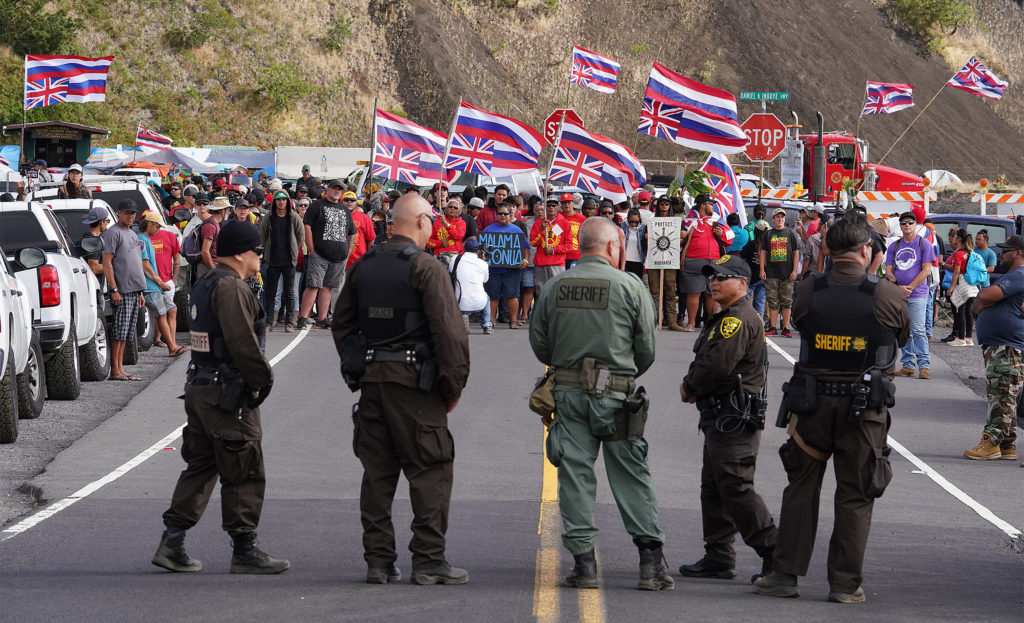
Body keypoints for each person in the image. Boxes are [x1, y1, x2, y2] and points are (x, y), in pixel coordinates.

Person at [755, 215, 908, 604]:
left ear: (827, 250)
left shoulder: (808, 290)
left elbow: (801, 322)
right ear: (865, 250)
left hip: (812, 405)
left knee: (801, 488)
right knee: (856, 494)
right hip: (864, 408)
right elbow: (900, 335)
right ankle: (843, 584)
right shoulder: (887, 294)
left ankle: (785, 574)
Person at [332, 194, 471, 585]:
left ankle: (378, 561)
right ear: (424, 222)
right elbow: (450, 334)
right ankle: (428, 561)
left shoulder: (364, 267)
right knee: (430, 471)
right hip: (415, 387)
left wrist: (359, 365)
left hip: (374, 384)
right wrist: (451, 385)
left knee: (377, 475)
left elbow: (342, 325)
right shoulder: (426, 267)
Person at [529, 217, 673, 592]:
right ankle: (650, 563)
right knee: (631, 473)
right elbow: (647, 350)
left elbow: (540, 343)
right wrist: (620, 374)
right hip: (618, 394)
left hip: (569, 392)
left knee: (574, 475)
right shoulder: (630, 286)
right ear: (613, 247)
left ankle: (584, 564)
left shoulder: (556, 285)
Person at [153, 220, 288, 575]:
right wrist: (263, 379)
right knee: (244, 466)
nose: (261, 256)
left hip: (201, 386)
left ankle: (172, 541)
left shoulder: (208, 283)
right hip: (226, 391)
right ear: (242, 253)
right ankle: (244, 547)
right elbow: (243, 343)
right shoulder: (231, 287)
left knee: (202, 464)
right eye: (257, 250)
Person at [678, 254, 777, 585]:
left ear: (743, 284)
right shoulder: (728, 316)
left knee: (735, 486)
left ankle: (775, 553)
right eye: (712, 276)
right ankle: (719, 556)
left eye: (723, 276)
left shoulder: (736, 320)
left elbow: (718, 366)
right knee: (715, 488)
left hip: (733, 417)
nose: (714, 281)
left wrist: (690, 386)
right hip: (721, 416)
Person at [963, 235, 1024, 461]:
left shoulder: (1019, 275)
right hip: (1001, 343)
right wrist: (983, 302)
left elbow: (984, 295)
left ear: (1018, 253)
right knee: (1004, 391)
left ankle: (991, 442)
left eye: (1007, 250)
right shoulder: (1014, 275)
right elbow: (982, 301)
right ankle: (1008, 444)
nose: (1002, 254)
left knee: (1001, 393)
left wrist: (982, 301)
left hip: (1006, 345)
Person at [298, 179, 356, 329]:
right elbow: (307, 226)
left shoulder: (344, 210)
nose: (337, 191)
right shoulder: (317, 205)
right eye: (334, 188)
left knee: (328, 287)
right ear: (327, 190)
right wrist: (311, 248)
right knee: (313, 285)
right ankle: (303, 317)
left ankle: (322, 318)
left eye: (340, 189)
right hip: (319, 254)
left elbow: (352, 233)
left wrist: (348, 252)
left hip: (339, 257)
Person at [886, 211, 936, 379]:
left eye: (910, 222)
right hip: (898, 294)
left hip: (918, 293)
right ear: (900, 226)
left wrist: (910, 287)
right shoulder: (894, 246)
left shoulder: (924, 244)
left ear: (916, 225)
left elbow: (926, 269)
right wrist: (898, 286)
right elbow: (888, 271)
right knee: (903, 330)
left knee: (918, 329)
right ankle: (907, 365)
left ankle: (924, 365)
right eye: (903, 223)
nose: (907, 225)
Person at [101, 200, 147, 382]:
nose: (131, 215)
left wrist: (141, 292)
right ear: (118, 213)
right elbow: (107, 262)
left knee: (127, 332)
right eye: (127, 212)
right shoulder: (113, 233)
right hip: (122, 290)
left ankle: (120, 369)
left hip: (135, 290)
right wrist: (114, 289)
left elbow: (135, 262)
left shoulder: (132, 234)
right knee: (119, 331)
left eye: (133, 213)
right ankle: (115, 370)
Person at [680, 193, 733, 331]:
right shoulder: (688, 221)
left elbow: (729, 240)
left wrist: (721, 234)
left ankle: (710, 323)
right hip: (693, 260)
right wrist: (681, 235)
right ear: (703, 205)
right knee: (694, 293)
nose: (713, 206)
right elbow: (677, 239)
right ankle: (691, 323)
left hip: (714, 261)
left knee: (712, 293)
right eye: (711, 204)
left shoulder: (718, 221)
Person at [141, 212, 187, 356]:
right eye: (157, 226)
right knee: (161, 313)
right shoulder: (142, 239)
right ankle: (172, 347)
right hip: (150, 285)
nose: (158, 229)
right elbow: (145, 266)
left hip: (157, 285)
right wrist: (160, 282)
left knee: (171, 309)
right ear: (149, 224)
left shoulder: (147, 238)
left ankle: (172, 343)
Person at [260, 190, 304, 332]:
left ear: (287, 201)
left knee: (289, 292)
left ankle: (289, 323)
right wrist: (266, 252)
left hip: (289, 261)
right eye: (278, 200)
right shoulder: (269, 217)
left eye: (284, 199)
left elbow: (300, 236)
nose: (281, 202)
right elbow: (263, 235)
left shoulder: (294, 217)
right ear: (275, 202)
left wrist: (294, 250)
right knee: (271, 292)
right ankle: (269, 322)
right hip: (272, 260)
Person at [481, 204, 529, 329]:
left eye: (505, 214)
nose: (503, 216)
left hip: (512, 270)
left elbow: (526, 248)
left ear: (510, 215)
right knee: (493, 296)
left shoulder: (517, 230)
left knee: (512, 295)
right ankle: (490, 321)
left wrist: (525, 260)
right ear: (496, 215)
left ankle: (513, 320)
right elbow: (482, 249)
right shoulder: (488, 230)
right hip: (493, 269)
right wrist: (483, 257)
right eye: (500, 214)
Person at [759, 208, 799, 337]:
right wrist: (762, 269)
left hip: (787, 273)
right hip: (771, 273)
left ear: (784, 219)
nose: (780, 219)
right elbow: (763, 252)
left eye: (782, 217)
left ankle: (786, 328)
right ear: (773, 219)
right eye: (778, 217)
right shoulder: (768, 234)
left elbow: (796, 252)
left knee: (787, 301)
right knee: (772, 300)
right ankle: (773, 326)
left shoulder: (790, 233)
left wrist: (794, 270)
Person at [649, 198, 683, 331]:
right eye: (661, 204)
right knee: (654, 292)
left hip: (670, 260)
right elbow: (644, 242)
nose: (664, 206)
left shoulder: (677, 222)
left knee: (670, 291)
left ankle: (672, 321)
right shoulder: (651, 222)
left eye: (666, 204)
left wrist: (682, 236)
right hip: (654, 260)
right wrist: (647, 237)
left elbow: (683, 239)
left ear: (670, 206)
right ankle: (653, 320)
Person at [942, 229, 979, 346]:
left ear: (958, 239)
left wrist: (951, 287)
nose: (952, 239)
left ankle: (961, 338)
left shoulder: (959, 254)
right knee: (968, 311)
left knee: (960, 311)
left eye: (954, 237)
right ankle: (969, 338)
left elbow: (956, 272)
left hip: (962, 284)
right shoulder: (971, 252)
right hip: (972, 285)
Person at [450, 239, 492, 334]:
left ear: (464, 249)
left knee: (464, 297)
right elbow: (485, 281)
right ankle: (487, 325)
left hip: (460, 301)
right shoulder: (483, 264)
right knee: (486, 297)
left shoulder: (455, 259)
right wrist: (483, 261)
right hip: (479, 302)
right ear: (478, 251)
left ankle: (464, 316)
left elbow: (451, 271)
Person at [529, 196, 569, 293]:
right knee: (541, 293)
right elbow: (533, 243)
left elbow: (569, 245)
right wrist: (541, 230)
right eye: (549, 205)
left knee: (557, 293)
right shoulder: (539, 222)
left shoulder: (564, 223)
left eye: (553, 205)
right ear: (545, 208)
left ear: (558, 207)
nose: (551, 207)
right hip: (540, 264)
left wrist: (553, 249)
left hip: (557, 264)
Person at [198, 196, 230, 277]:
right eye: (228, 210)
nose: (229, 212)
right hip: (207, 268)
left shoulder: (215, 224)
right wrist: (213, 270)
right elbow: (205, 252)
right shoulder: (210, 226)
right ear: (223, 211)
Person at [78, 207, 108, 284]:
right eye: (107, 221)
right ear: (101, 222)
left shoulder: (86, 237)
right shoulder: (94, 242)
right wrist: (114, 266)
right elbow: (94, 268)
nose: (107, 224)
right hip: (94, 287)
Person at [560, 193, 586, 269]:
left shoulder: (581, 218)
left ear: (573, 203)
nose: (566, 205)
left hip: (574, 255)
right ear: (561, 204)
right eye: (564, 202)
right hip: (559, 255)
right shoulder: (557, 216)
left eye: (569, 202)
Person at [621, 208, 647, 279]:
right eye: (631, 221)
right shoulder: (622, 226)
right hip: (625, 261)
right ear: (627, 219)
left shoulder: (643, 227)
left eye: (636, 222)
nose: (633, 224)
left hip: (638, 261)